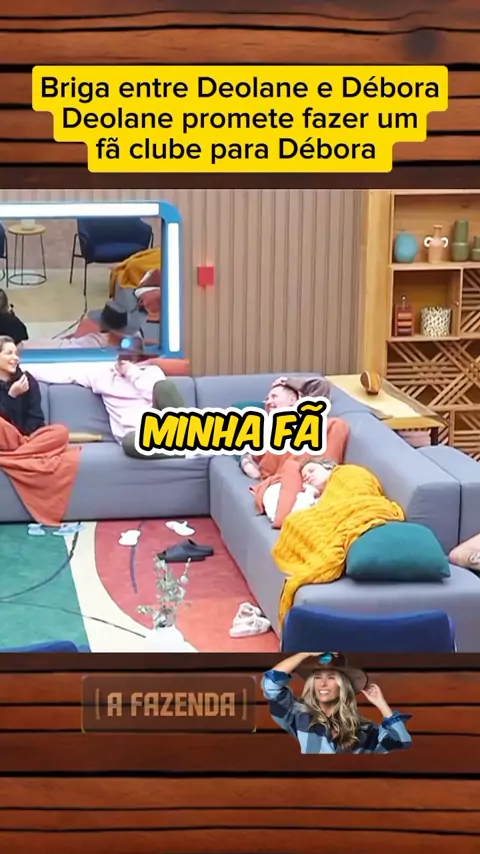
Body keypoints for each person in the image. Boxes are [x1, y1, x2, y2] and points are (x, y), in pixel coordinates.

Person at [27, 333, 184, 459]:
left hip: (162, 427)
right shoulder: (102, 374)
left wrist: (132, 373)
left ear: (139, 358)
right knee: (130, 443)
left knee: (165, 387)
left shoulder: (150, 373)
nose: (124, 360)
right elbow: (63, 373)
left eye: (130, 357)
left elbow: (153, 392)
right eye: (122, 356)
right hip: (136, 437)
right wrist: (18, 368)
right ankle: (179, 450)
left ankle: (182, 439)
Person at [262, 651, 412, 754]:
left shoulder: (365, 730)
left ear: (343, 685)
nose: (322, 684)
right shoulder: (300, 717)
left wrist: (381, 704)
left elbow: (402, 741)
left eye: (331, 677)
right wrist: (305, 653)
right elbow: (270, 684)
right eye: (318, 677)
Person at [0, 335, 81, 525]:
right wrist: (11, 396)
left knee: (60, 432)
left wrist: (27, 438)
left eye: (16, 353)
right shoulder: (15, 388)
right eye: (9, 353)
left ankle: (19, 454)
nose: (15, 358)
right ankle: (25, 453)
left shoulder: (28, 381)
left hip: (27, 440)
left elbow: (36, 418)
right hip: (5, 437)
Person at [240, 375, 334, 480]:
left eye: (274, 397)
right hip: (280, 473)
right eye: (267, 399)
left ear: (292, 400)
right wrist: (247, 464)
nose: (268, 402)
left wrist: (288, 381)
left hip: (309, 469)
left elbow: (321, 385)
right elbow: (249, 453)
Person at [21, 299, 143, 351]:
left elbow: (67, 347)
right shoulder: (135, 338)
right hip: (69, 344)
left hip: (67, 348)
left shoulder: (93, 342)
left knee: (25, 346)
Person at [262, 457, 338, 523]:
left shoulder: (341, 475)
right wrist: (309, 493)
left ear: (328, 467)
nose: (308, 476)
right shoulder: (311, 499)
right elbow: (296, 518)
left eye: (311, 471)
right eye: (305, 478)